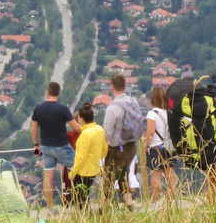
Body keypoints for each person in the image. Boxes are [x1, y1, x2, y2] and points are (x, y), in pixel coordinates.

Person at [102, 74, 144, 210]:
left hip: (117, 148)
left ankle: (104, 207)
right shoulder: (134, 102)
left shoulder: (112, 108)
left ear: (112, 87)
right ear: (125, 86)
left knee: (109, 177)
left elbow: (107, 132)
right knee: (124, 174)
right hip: (132, 147)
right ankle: (129, 203)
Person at [30, 81, 72, 210]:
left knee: (48, 175)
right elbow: (76, 126)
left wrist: (36, 144)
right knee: (78, 169)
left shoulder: (39, 108)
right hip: (62, 146)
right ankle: (78, 201)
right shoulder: (63, 109)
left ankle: (50, 207)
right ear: (59, 93)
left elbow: (34, 129)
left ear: (47, 92)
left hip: (46, 147)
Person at [143, 86, 178, 200]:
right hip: (169, 147)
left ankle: (156, 200)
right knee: (170, 173)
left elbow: (150, 131)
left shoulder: (152, 114)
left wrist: (146, 144)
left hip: (155, 147)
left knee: (155, 175)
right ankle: (172, 198)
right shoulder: (170, 113)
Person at [70, 103, 107, 207]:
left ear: (81, 119)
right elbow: (104, 150)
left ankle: (85, 217)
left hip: (83, 171)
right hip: (95, 168)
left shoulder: (85, 134)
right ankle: (88, 216)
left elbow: (81, 157)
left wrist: (73, 173)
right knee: (85, 196)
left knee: (80, 199)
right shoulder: (99, 129)